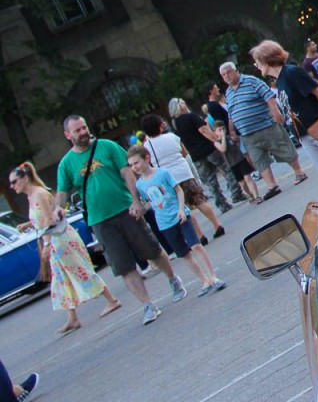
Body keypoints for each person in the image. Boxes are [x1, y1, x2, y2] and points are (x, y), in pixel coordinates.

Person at [56, 115, 185, 326]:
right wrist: (58, 209)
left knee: (152, 250)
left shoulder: (107, 146)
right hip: (100, 220)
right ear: (67, 135)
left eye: (84, 127)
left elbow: (127, 173)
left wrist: (136, 201)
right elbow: (62, 191)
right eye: (77, 130)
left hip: (126, 210)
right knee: (124, 266)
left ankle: (173, 279)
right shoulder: (66, 164)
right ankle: (148, 304)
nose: (83, 132)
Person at [10, 163, 120, 333]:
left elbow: (50, 221)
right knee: (60, 279)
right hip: (55, 240)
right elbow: (42, 218)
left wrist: (47, 245)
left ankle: (111, 299)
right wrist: (28, 225)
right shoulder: (32, 196)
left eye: (14, 181)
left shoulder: (39, 194)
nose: (12, 186)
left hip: (60, 239)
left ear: (25, 179)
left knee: (80, 270)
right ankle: (72, 317)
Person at [127, 145, 225, 298]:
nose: (135, 167)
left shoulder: (163, 173)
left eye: (136, 162)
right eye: (131, 165)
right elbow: (150, 202)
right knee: (184, 254)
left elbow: (178, 190)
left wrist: (181, 209)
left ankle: (212, 276)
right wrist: (139, 208)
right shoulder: (139, 185)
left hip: (180, 216)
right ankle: (204, 280)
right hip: (164, 223)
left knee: (196, 245)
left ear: (147, 158)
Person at [219, 61, 307, 200]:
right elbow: (231, 113)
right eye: (224, 75)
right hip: (247, 134)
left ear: (236, 71)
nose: (227, 76)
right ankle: (272, 186)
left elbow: (268, 96)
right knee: (259, 160)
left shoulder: (251, 81)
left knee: (283, 148)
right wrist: (232, 130)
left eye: (229, 72)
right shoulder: (228, 92)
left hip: (266, 126)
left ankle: (299, 172)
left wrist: (276, 113)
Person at [139, 114, 224, 242]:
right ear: (160, 126)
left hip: (168, 180)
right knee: (199, 200)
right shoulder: (172, 137)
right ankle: (217, 225)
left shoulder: (146, 147)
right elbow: (184, 152)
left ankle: (200, 235)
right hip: (184, 172)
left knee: (183, 207)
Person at [250, 40, 318, 170]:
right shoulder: (279, 81)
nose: (257, 66)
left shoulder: (291, 73)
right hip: (304, 135)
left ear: (266, 60)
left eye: (257, 62)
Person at [168, 97, 245, 211]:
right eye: (183, 103)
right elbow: (204, 130)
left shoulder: (175, 125)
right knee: (227, 169)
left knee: (210, 180)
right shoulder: (191, 117)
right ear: (179, 107)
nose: (185, 105)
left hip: (196, 155)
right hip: (208, 149)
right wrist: (216, 140)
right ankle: (236, 193)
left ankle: (222, 204)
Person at [209, 119, 260, 203]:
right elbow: (223, 149)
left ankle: (256, 196)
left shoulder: (229, 137)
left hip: (240, 160)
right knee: (242, 183)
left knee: (248, 178)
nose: (222, 131)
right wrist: (222, 137)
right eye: (219, 130)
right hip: (232, 164)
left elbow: (237, 142)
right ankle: (250, 195)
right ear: (215, 132)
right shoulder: (217, 142)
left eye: (223, 129)